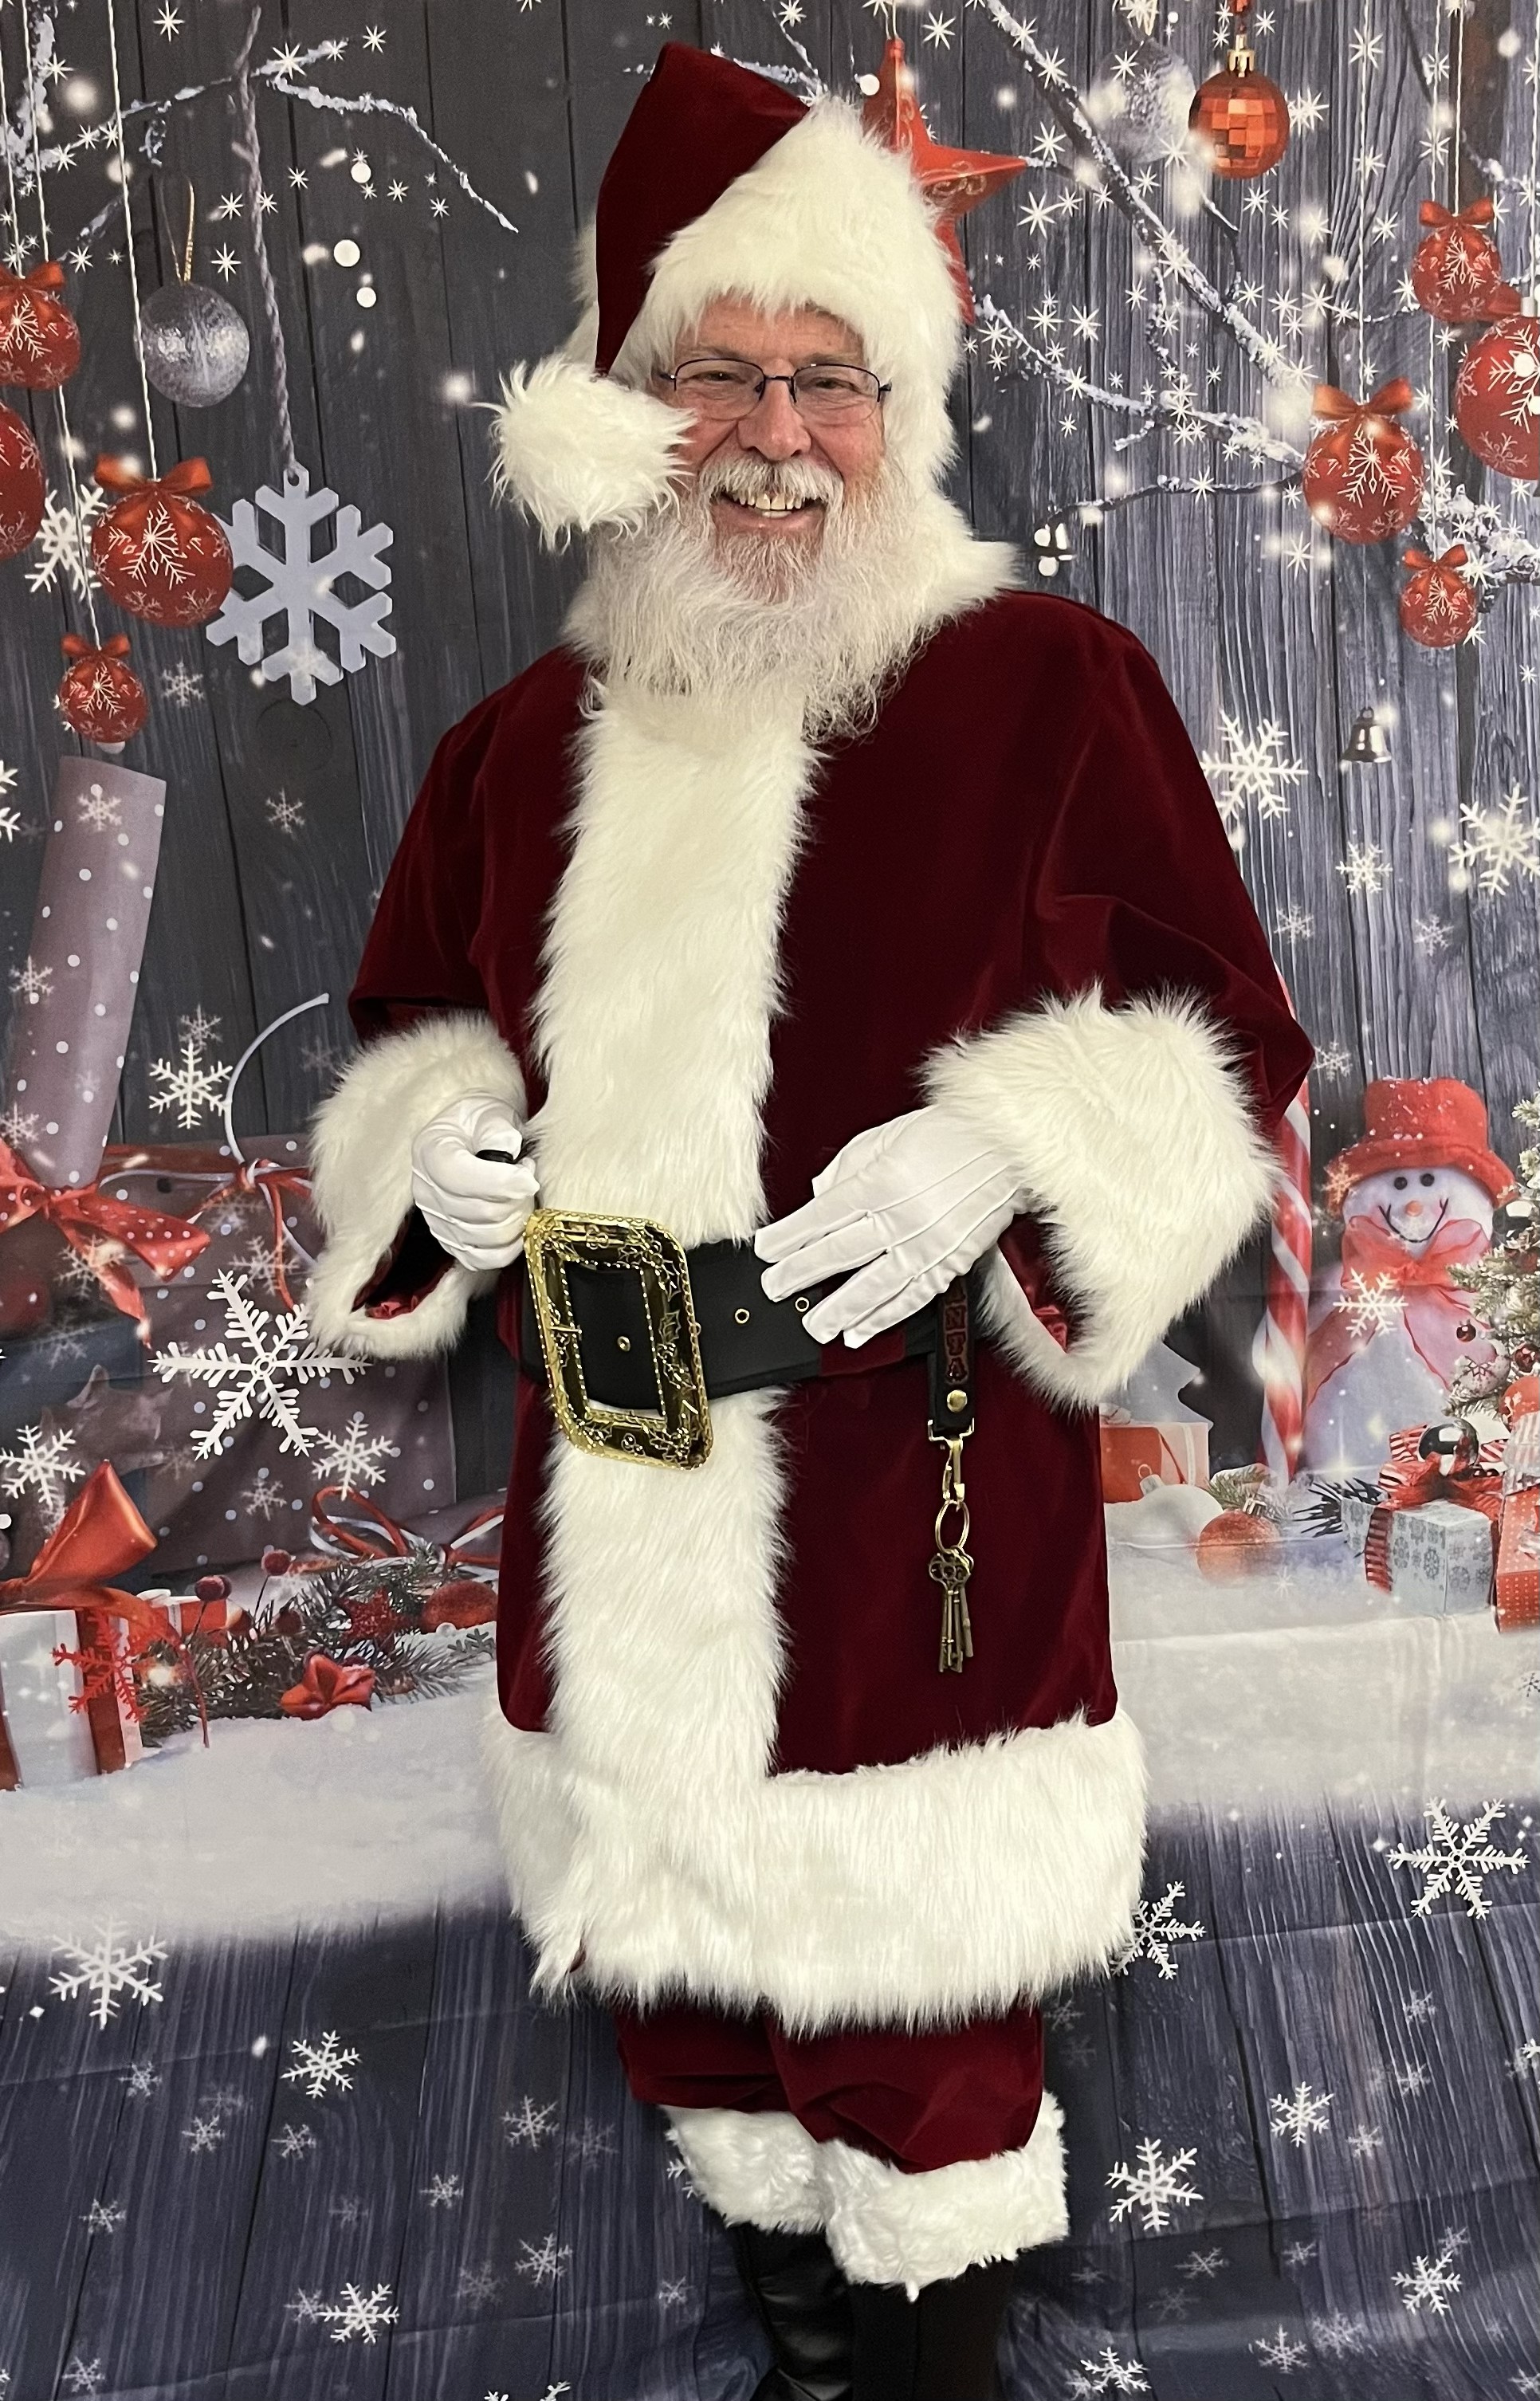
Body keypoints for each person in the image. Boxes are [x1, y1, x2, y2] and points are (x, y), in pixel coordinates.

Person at [308, 42, 1313, 2401]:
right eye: (721, 375)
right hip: (616, 1499)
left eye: (825, 380)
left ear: (899, 404)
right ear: (635, 410)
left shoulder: (1048, 686)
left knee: (919, 2049)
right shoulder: (508, 750)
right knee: (696, 2030)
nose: (773, 433)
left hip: (912, 1500)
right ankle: (801, 2347)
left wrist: (1010, 1143)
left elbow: (1222, 1031)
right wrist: (431, 1146)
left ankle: (921, 2368)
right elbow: (408, 1032)